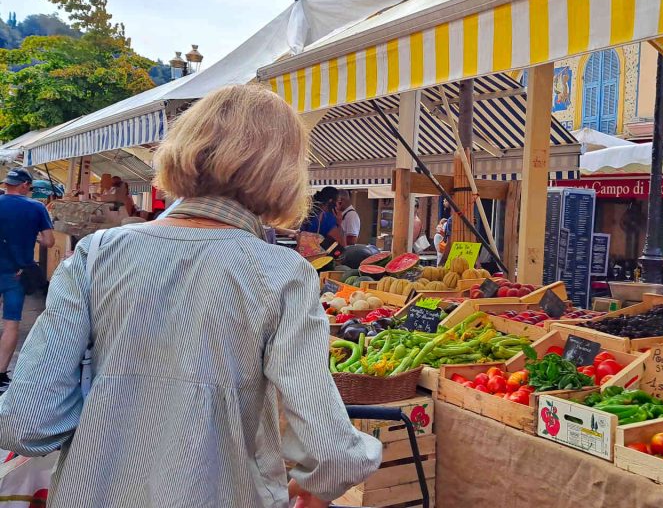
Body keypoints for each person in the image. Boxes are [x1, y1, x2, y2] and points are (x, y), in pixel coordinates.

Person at [0, 86, 381, 508]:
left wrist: (110, 408)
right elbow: (332, 452)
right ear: (284, 172)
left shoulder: (96, 254)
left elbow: (25, 422)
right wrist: (320, 484)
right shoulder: (283, 274)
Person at [0, 168, 55, 392]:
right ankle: (1, 373)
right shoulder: (36, 207)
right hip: (17, 272)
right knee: (11, 323)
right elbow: (50, 242)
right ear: (24, 185)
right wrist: (33, 236)